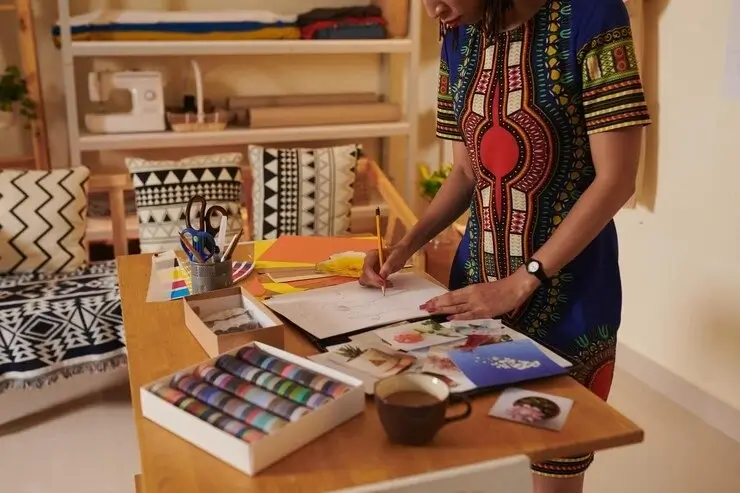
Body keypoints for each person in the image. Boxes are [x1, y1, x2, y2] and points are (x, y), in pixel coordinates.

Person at [359, 0, 650, 491]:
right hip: (474, 294)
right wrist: (407, 242)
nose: (431, 10)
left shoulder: (594, 16)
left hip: (567, 298)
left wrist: (523, 281)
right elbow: (468, 170)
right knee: (474, 451)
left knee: (553, 464)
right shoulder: (458, 30)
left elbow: (617, 180)